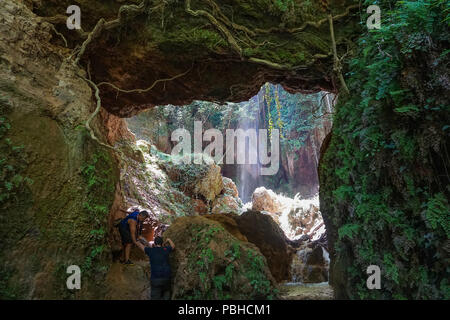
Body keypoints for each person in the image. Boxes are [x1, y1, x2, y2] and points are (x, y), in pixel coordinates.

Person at [136, 235, 175, 300]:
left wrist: (137, 241)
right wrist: (169, 240)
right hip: (167, 279)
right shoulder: (166, 249)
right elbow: (173, 246)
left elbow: (141, 246)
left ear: (154, 244)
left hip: (155, 279)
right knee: (167, 295)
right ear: (162, 244)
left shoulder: (150, 251)